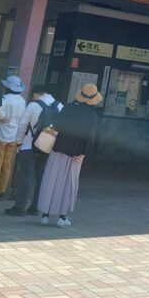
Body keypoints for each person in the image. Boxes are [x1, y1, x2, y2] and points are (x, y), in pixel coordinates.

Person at [38, 83, 100, 228]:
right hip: (76, 154)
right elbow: (90, 137)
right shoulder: (91, 115)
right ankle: (62, 217)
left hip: (58, 149)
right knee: (68, 184)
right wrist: (83, 154)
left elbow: (57, 126)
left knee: (51, 180)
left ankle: (45, 215)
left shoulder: (68, 107)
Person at [5, 85, 61, 217]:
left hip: (29, 146)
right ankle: (35, 207)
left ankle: (20, 207)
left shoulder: (33, 105)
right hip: (48, 148)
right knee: (42, 178)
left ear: (35, 94)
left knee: (25, 177)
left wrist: (18, 143)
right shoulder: (60, 106)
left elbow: (22, 126)